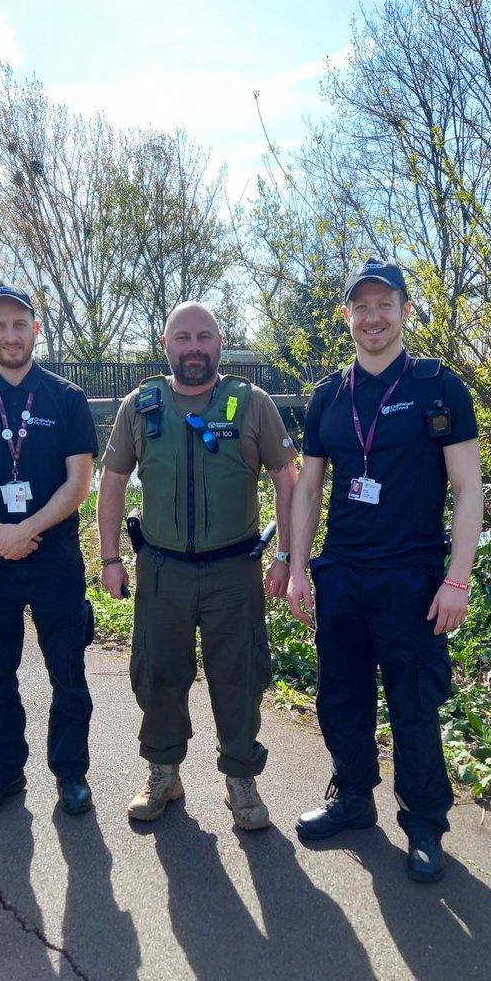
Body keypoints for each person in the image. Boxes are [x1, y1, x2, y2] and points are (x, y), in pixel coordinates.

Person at [287, 259, 483, 882]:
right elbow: (309, 490)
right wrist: (296, 567)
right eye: (361, 306)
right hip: (342, 573)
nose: (373, 317)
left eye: (384, 305)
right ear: (346, 314)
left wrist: (458, 577)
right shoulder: (327, 397)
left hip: (412, 578)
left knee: (414, 705)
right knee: (340, 698)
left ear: (403, 310)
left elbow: (467, 487)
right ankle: (352, 798)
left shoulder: (438, 388)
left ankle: (424, 823)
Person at [97, 301, 297, 830]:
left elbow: (286, 478)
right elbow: (112, 481)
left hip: (235, 571)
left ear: (219, 341)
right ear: (165, 344)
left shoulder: (252, 403)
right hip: (161, 571)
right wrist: (111, 557)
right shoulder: (140, 405)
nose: (193, 346)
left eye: (203, 336)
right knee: (158, 673)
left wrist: (285, 556)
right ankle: (163, 772)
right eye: (181, 337)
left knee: (240, 676)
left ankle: (240, 780)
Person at [0, 283, 99, 819]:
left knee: (68, 673)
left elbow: (79, 483)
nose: (10, 334)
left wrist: (27, 527)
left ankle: (71, 774)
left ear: (36, 329)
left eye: (19, 323)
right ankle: (3, 772)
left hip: (53, 557)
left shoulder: (66, 398)